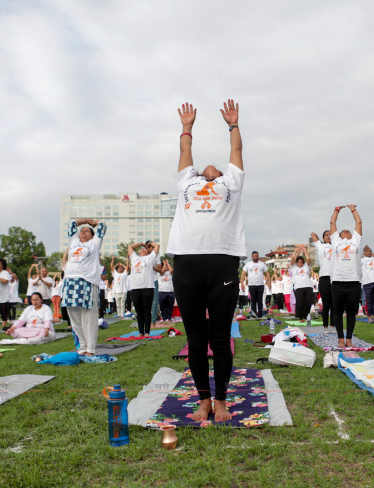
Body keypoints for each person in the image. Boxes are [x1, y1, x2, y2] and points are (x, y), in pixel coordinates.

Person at [167, 100, 245, 422]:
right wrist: (187, 128)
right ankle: (203, 400)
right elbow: (185, 151)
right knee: (196, 339)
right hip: (186, 265)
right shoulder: (188, 182)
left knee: (220, 338)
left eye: (217, 167)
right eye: (204, 168)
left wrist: (233, 125)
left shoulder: (231, 183)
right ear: (198, 174)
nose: (210, 168)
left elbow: (237, 152)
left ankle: (222, 400)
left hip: (222, 265)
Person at [62, 219, 106, 356]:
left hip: (87, 281)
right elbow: (71, 224)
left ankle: (91, 349)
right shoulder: (74, 242)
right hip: (70, 281)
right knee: (74, 316)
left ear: (93, 235)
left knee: (89, 316)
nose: (83, 232)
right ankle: (81, 347)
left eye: (87, 231)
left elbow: (103, 225)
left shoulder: (94, 243)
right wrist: (86, 221)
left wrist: (93, 222)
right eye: (82, 230)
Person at [329, 204, 363, 348]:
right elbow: (332, 223)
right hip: (337, 281)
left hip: (354, 281)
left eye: (348, 231)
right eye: (343, 231)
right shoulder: (336, 241)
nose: (346, 232)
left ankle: (349, 338)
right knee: (337, 311)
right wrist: (336, 210)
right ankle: (340, 339)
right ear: (339, 235)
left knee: (351, 312)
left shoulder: (355, 241)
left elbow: (359, 223)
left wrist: (353, 210)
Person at [127, 241, 159, 336]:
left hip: (147, 287)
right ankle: (141, 332)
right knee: (138, 311)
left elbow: (157, 246)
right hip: (135, 288)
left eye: (144, 249)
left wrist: (149, 243)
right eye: (141, 248)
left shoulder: (150, 258)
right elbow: (130, 247)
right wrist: (140, 243)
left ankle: (147, 332)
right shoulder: (134, 258)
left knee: (146, 310)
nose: (142, 249)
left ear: (148, 252)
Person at [311, 231, 334, 329]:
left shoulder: (337, 246)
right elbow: (313, 234)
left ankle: (333, 326)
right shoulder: (320, 246)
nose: (328, 236)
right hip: (324, 278)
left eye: (330, 235)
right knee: (326, 304)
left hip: (335, 278)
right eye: (326, 235)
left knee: (334, 304)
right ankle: (325, 326)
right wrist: (320, 241)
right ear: (323, 238)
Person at [241, 251, 267, 318]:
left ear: (258, 256)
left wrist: (269, 283)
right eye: (254, 256)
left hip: (260, 285)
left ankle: (260, 315)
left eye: (257, 256)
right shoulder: (248, 264)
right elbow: (243, 274)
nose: (256, 257)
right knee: (253, 301)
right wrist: (242, 284)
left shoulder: (262, 264)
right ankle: (254, 315)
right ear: (252, 256)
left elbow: (268, 273)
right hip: (252, 285)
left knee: (259, 301)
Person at [289, 246, 313, 322]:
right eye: (299, 262)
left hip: (308, 286)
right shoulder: (294, 268)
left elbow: (308, 259)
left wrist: (305, 252)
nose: (300, 264)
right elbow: (293, 259)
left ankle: (305, 317)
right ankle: (301, 317)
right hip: (299, 287)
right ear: (296, 262)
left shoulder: (306, 267)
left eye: (302, 262)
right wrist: (295, 252)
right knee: (300, 304)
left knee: (308, 303)